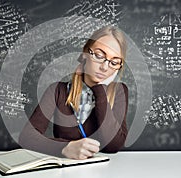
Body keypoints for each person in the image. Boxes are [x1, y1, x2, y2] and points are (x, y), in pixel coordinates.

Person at [19, 25, 128, 160]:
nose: (105, 67)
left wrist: (99, 89)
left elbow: (113, 146)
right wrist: (64, 148)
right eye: (99, 56)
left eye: (114, 62)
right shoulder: (57, 90)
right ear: (85, 53)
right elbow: (26, 137)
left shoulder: (119, 91)